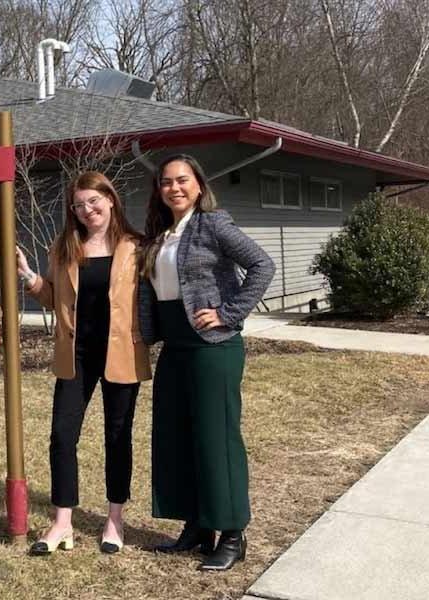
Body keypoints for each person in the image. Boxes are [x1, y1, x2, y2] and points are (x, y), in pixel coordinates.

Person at [138, 154, 275, 571]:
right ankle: (197, 527)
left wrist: (228, 312)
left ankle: (232, 533)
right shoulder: (159, 234)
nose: (173, 188)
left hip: (213, 345)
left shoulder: (213, 223)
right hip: (174, 347)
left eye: (182, 180)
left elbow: (262, 265)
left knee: (217, 439)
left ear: (198, 184)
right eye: (165, 182)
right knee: (176, 437)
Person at [15, 171, 152, 557]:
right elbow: (55, 298)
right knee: (62, 436)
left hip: (122, 352)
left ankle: (114, 518)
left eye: (93, 201)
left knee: (117, 436)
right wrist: (28, 276)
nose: (87, 210)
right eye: (79, 205)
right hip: (75, 355)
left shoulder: (136, 247)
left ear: (110, 199)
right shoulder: (65, 247)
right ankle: (62, 522)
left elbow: (151, 299)